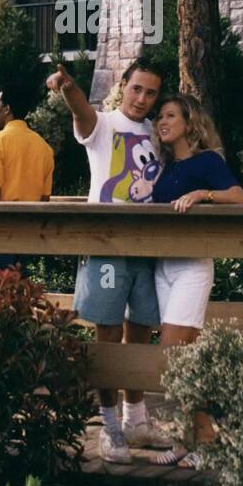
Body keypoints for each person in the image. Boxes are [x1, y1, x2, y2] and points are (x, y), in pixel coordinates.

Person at [46, 57, 172, 463]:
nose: (142, 98)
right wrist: (67, 88)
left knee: (141, 331)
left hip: (147, 245)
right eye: (137, 89)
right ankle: (109, 426)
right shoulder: (102, 125)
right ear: (124, 85)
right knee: (107, 331)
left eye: (151, 92)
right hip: (105, 244)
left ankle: (136, 419)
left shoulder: (158, 134)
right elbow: (81, 109)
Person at [150, 94, 243, 468]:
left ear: (190, 123)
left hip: (192, 266)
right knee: (185, 358)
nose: (162, 121)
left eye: (170, 115)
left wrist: (202, 194)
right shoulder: (164, 166)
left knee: (173, 352)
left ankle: (202, 437)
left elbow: (240, 198)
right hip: (163, 267)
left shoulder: (207, 161)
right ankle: (191, 438)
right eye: (160, 116)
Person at [0, 84, 54, 273]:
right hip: (28, 231)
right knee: (19, 291)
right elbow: (45, 198)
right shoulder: (44, 147)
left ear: (7, 109)